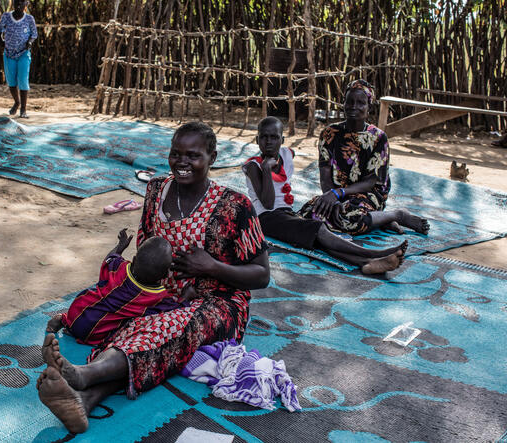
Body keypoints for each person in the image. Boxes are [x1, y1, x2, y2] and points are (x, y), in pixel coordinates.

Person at [37, 122, 270, 434]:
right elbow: (145, 254)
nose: (182, 162)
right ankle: (85, 400)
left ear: (212, 157)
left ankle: (85, 375)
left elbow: (262, 274)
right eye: (175, 154)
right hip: (161, 297)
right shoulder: (156, 190)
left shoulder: (234, 206)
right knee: (135, 324)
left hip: (220, 306)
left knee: (165, 327)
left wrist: (211, 267)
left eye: (193, 155)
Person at [244, 116, 407, 274]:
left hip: (285, 213)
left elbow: (290, 154)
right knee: (318, 229)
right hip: (265, 219)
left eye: (274, 137)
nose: (269, 142)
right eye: (264, 137)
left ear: (282, 140)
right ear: (257, 140)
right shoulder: (253, 166)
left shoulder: (285, 154)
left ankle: (365, 264)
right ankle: (375, 254)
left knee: (317, 241)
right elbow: (268, 204)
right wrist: (265, 169)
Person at [299, 79, 430, 236]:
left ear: (369, 107)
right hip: (337, 193)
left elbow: (370, 182)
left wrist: (339, 194)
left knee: (351, 218)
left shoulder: (378, 138)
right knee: (309, 214)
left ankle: (397, 215)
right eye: (350, 102)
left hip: (368, 193)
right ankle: (381, 221)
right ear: (343, 104)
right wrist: (331, 198)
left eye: (360, 103)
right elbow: (325, 176)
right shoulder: (329, 134)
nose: (354, 107)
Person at [46, 229, 184, 346]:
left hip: (78, 309)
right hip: (96, 333)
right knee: (128, 327)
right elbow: (176, 311)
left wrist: (120, 246)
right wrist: (187, 296)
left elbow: (110, 257)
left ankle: (64, 320)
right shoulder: (157, 298)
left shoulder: (119, 266)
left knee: (96, 299)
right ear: (166, 274)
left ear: (134, 260)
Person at [0, 0, 37, 118]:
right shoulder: (6, 17)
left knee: (23, 80)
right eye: (16, 2)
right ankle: (17, 102)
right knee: (11, 81)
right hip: (9, 53)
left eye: (21, 2)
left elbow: (34, 34)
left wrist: (29, 42)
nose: (18, 5)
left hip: (23, 53)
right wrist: (0, 41)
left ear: (26, 4)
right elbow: (0, 30)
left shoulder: (29, 19)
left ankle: (23, 110)